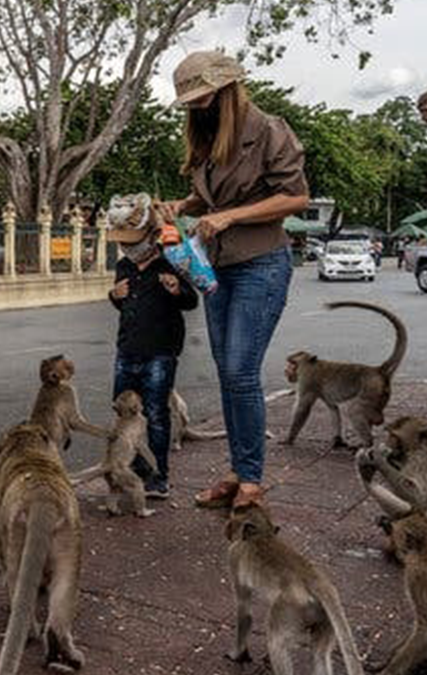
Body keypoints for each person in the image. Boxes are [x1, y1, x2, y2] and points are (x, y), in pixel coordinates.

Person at [157, 51, 309, 509]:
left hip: (262, 263)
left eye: (202, 99)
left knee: (242, 371)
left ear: (226, 91)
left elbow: (296, 198)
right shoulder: (208, 134)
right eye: (191, 102)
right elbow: (211, 199)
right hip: (217, 268)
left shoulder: (268, 130)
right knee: (228, 374)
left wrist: (229, 218)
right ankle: (239, 469)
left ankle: (252, 479)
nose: (196, 108)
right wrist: (184, 207)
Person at [106, 205, 198, 499]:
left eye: (133, 242)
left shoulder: (172, 263)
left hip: (161, 351)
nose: (128, 248)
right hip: (127, 349)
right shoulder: (124, 266)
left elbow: (190, 301)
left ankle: (159, 475)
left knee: (157, 414)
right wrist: (114, 296)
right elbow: (124, 304)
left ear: (152, 236)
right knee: (122, 412)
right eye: (124, 243)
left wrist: (176, 290)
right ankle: (136, 470)